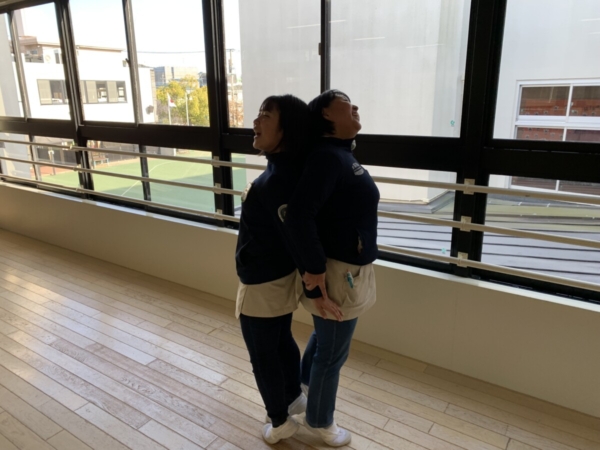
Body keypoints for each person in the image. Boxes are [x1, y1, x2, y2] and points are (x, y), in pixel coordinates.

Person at [284, 90, 380, 447]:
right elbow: (298, 216)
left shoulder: (339, 154)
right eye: (344, 101)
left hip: (346, 268)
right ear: (325, 115)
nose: (355, 106)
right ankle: (319, 422)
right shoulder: (327, 157)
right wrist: (314, 270)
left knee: (325, 340)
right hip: (339, 272)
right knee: (332, 353)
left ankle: (305, 392)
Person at [234, 94, 313, 444]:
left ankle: (279, 421)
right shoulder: (284, 172)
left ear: (286, 130)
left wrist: (313, 278)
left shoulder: (278, 180)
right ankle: (293, 397)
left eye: (265, 115)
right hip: (275, 278)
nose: (256, 122)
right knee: (281, 340)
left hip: (262, 282)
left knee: (261, 352)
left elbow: (296, 233)